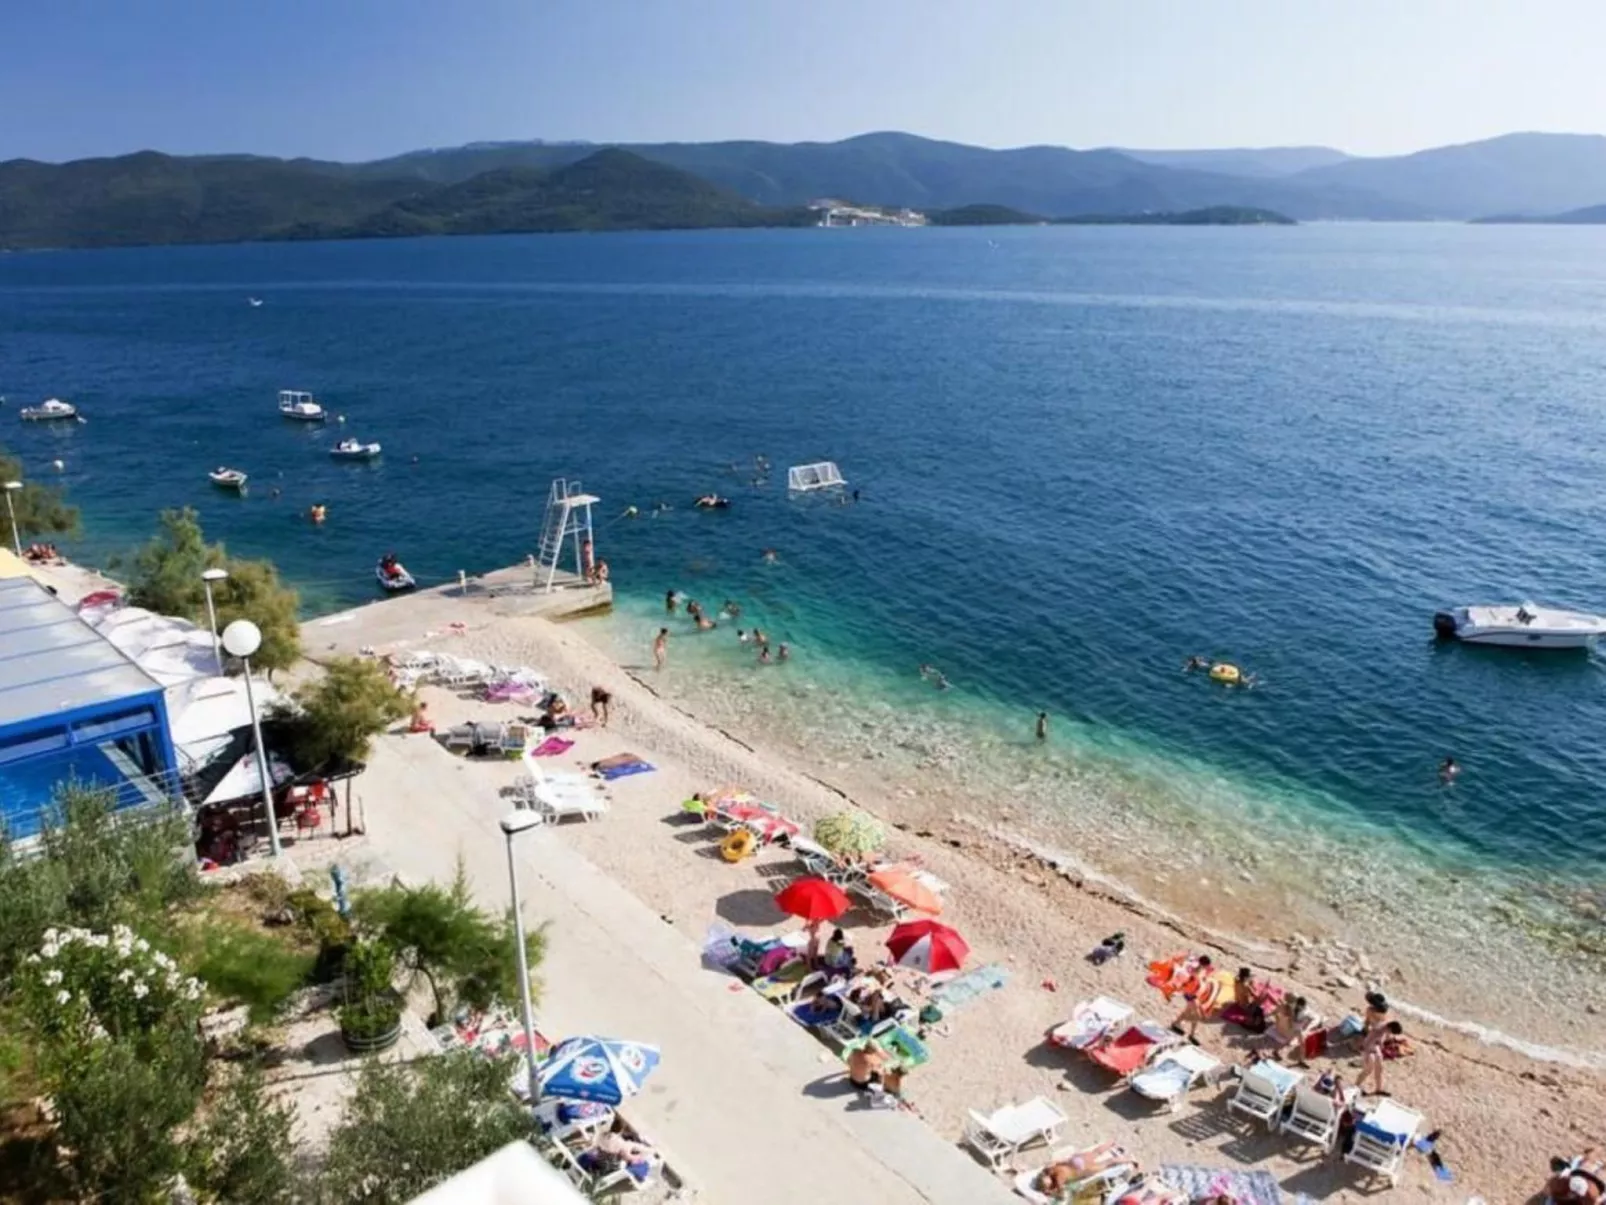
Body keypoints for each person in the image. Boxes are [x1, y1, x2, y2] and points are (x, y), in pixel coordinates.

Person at [1361, 1020, 1404, 1095]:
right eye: (1391, 1032)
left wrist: (1380, 1047)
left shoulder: (1384, 1027)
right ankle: (1355, 1086)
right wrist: (1368, 1054)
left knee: (1379, 1070)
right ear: (1390, 1029)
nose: (1390, 1034)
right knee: (1367, 1071)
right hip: (1370, 1051)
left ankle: (1378, 1089)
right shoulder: (1379, 1031)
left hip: (1376, 1050)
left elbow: (1379, 1041)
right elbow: (1368, 1042)